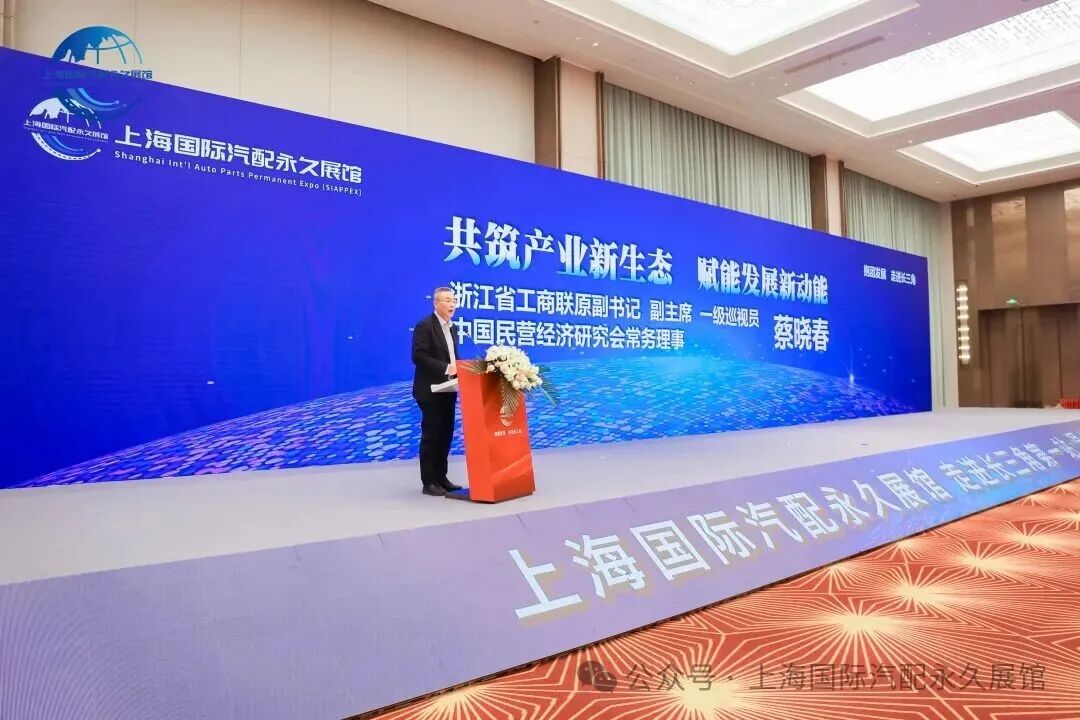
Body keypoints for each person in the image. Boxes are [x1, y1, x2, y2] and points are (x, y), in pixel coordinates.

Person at [411, 287, 464, 496]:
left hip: (448, 389)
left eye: (454, 301)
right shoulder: (425, 326)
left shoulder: (453, 328)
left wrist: (459, 370)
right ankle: (429, 482)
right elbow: (419, 356)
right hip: (430, 390)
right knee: (432, 435)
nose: (452, 305)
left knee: (446, 434)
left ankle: (442, 477)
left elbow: (453, 356)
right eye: (447, 300)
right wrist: (445, 368)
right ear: (436, 303)